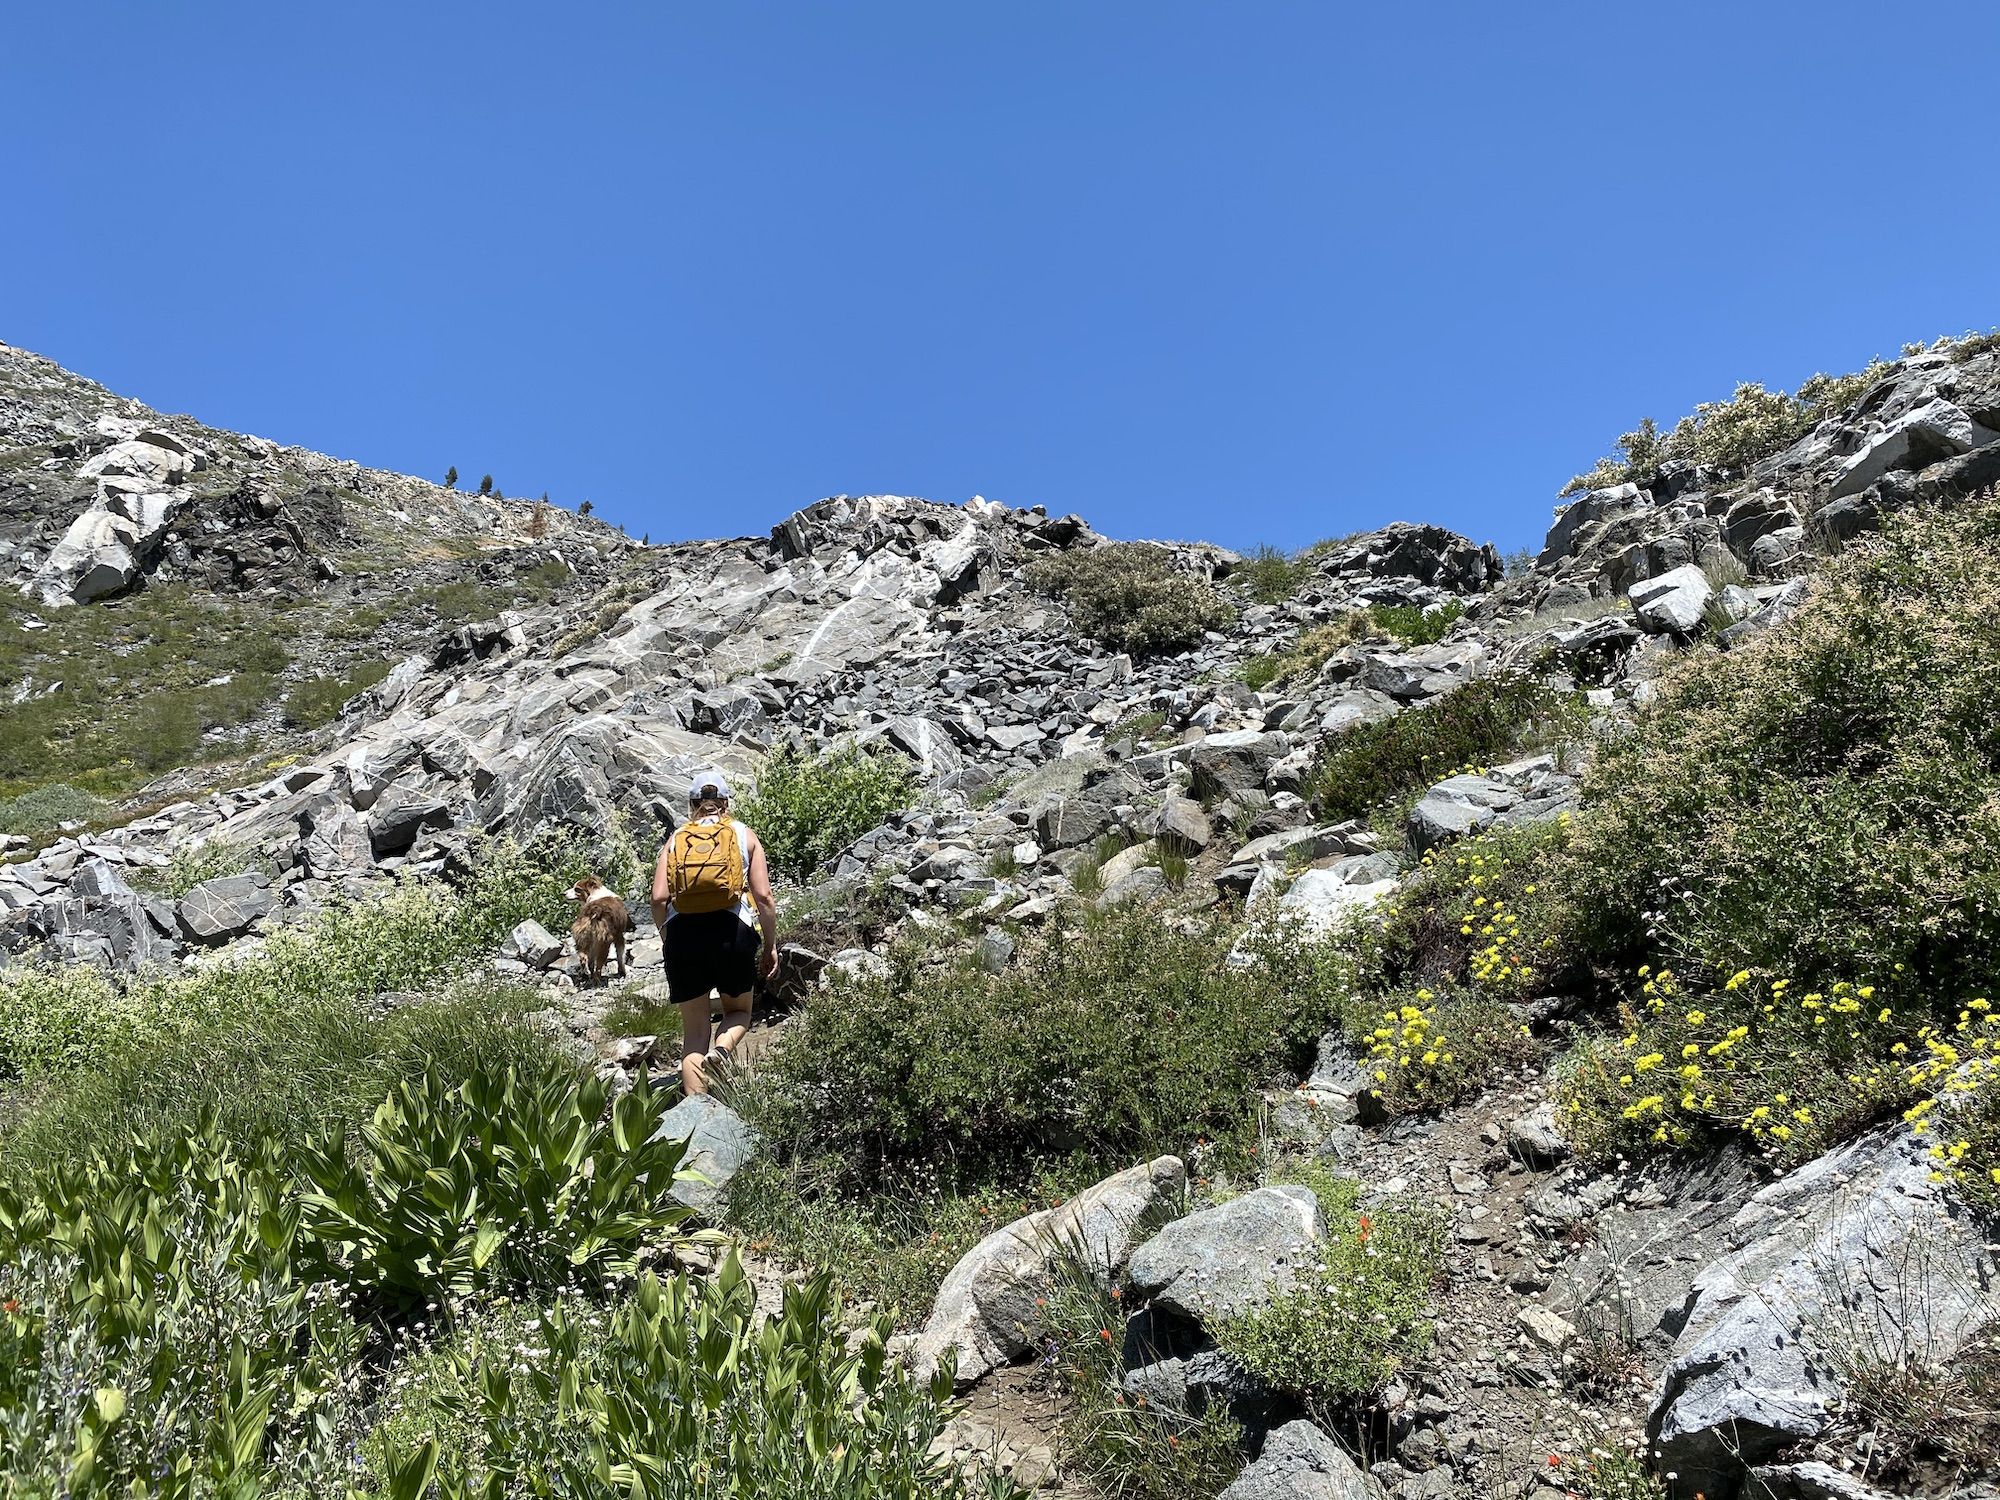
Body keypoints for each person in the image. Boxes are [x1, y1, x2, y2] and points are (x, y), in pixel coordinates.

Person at [651, 770, 778, 1095]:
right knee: (738, 1011)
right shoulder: (743, 834)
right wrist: (769, 946)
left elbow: (658, 899)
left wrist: (668, 940)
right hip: (732, 931)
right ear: (725, 803)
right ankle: (721, 1051)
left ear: (692, 804)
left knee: (694, 1033)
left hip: (683, 936)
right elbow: (763, 898)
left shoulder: (676, 838)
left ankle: (696, 1114)